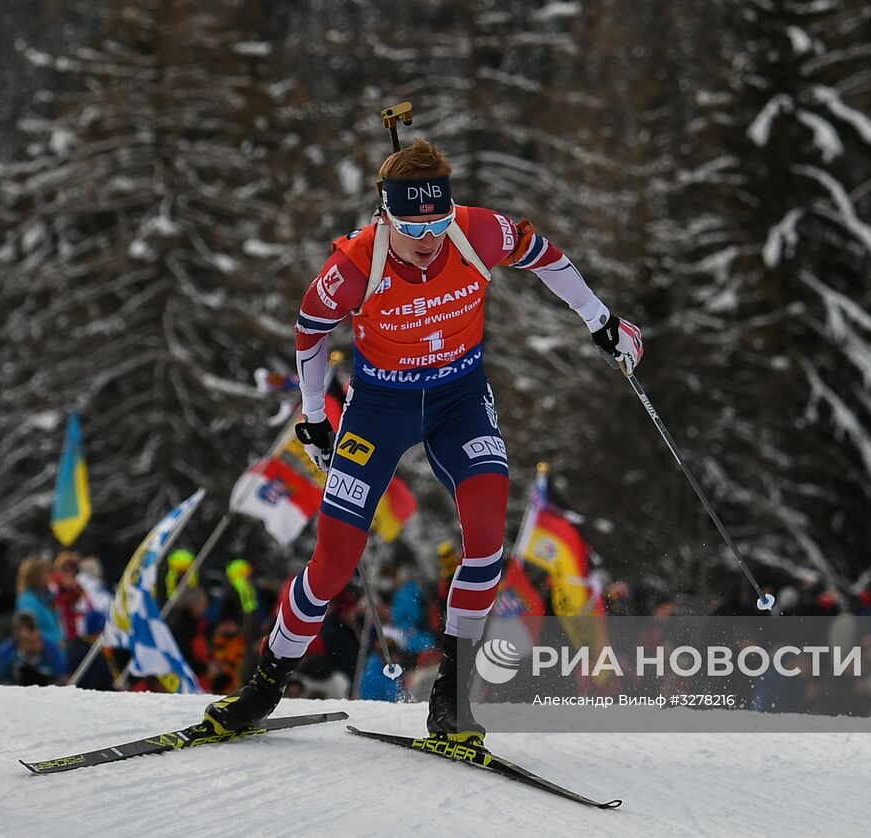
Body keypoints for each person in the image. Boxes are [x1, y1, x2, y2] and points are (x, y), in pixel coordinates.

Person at [204, 138, 644, 743]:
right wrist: (311, 416)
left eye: (438, 220)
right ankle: (266, 684)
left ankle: (452, 698)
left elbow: (546, 257)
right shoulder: (357, 262)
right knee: (332, 565)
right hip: (377, 411)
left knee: (488, 539)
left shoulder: (476, 232)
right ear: (387, 215)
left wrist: (602, 320)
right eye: (415, 225)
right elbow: (310, 330)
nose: (430, 237)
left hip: (457, 402)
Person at [0, 612, 65, 687]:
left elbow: (61, 673)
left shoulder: (50, 653)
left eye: (35, 641)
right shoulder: (9, 656)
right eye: (27, 641)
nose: (32, 646)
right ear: (19, 641)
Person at [14, 556, 64, 654]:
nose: (51, 576)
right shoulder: (27, 600)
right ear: (36, 576)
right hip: (43, 655)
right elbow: (29, 631)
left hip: (57, 653)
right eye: (47, 573)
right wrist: (54, 642)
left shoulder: (48, 597)